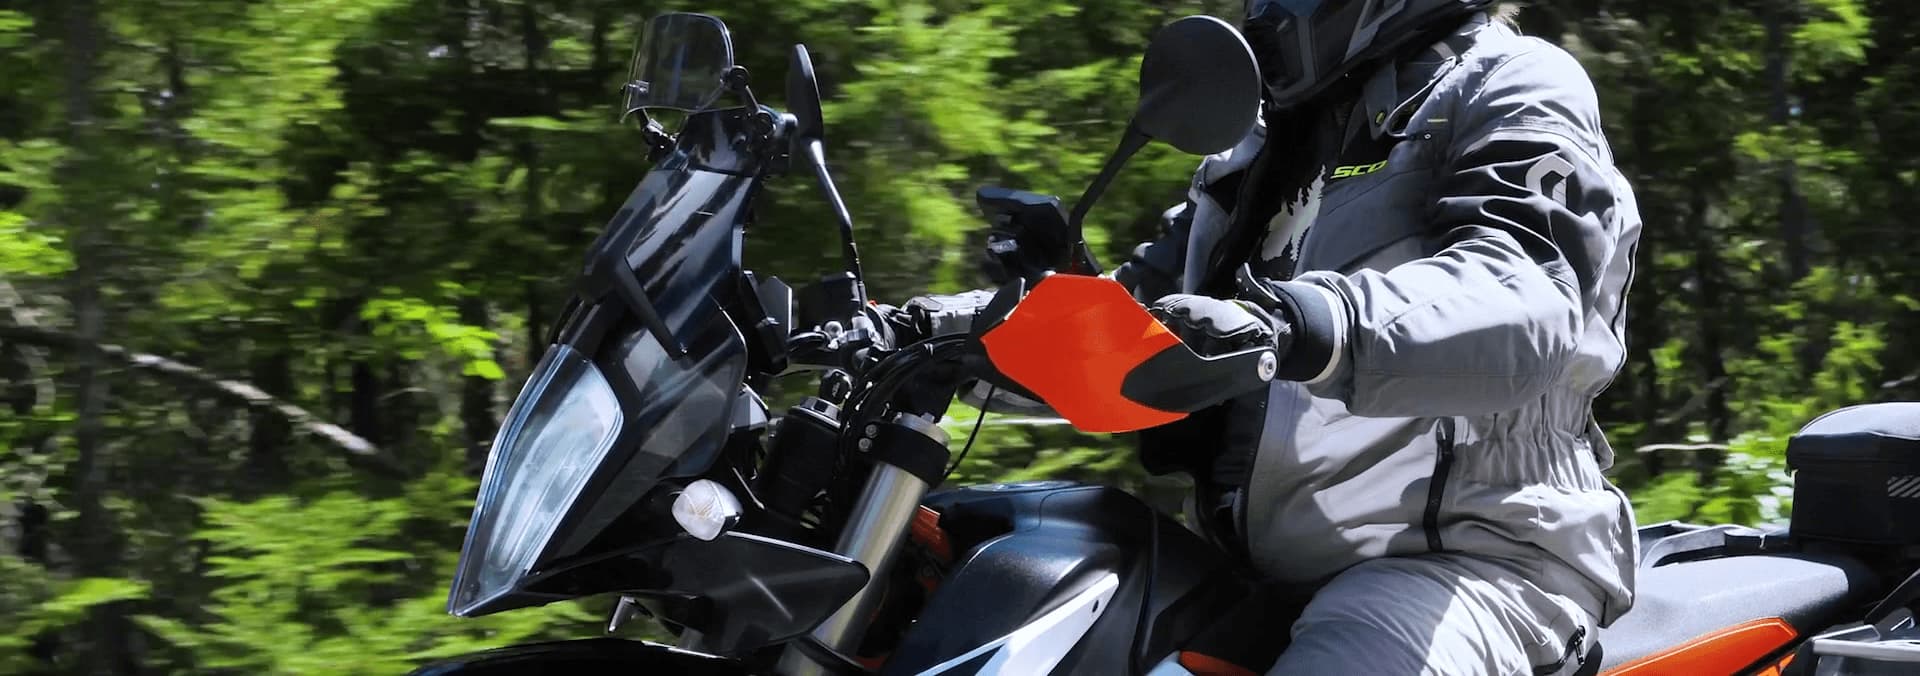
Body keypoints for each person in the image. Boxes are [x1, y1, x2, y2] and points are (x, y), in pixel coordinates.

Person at [1112, 1, 1643, 673]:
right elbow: (1134, 316)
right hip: (1247, 570)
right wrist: (1008, 309)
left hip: (1472, 560)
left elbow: (1522, 298)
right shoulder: (1263, 144)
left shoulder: (1512, 82)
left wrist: (1305, 324)